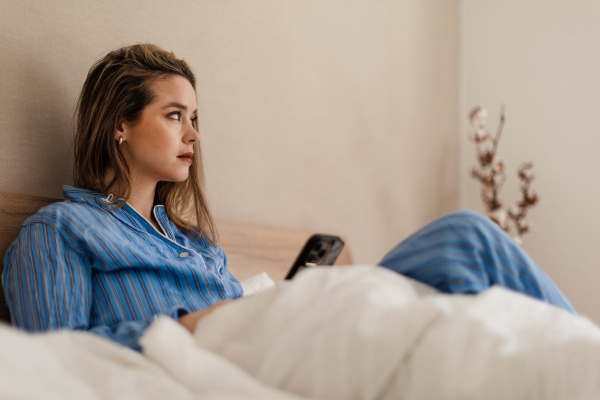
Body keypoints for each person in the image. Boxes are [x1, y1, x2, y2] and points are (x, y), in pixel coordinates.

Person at [1, 44, 574, 352]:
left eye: (195, 118)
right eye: (174, 116)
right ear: (118, 126)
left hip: (272, 332)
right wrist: (189, 326)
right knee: (465, 238)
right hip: (232, 353)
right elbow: (57, 359)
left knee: (470, 257)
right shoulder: (60, 231)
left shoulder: (193, 243)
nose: (194, 135)